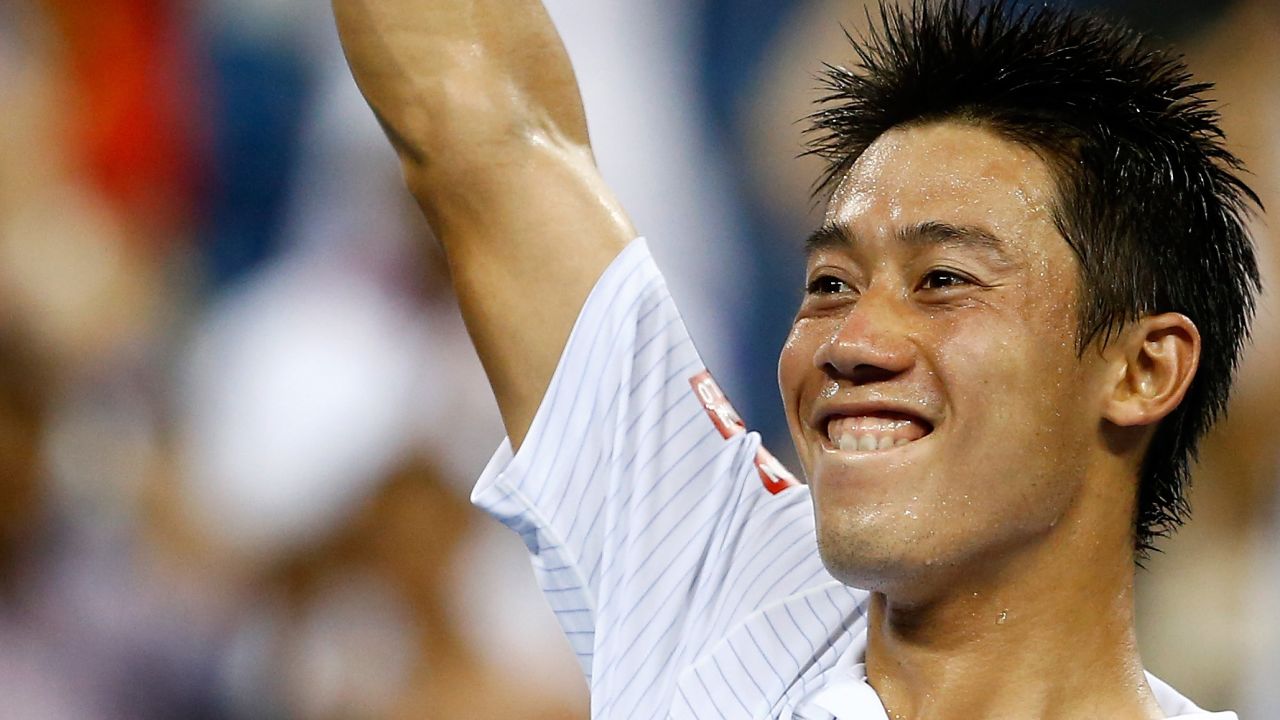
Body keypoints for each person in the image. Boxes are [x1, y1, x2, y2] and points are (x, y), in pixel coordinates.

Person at [331, 0, 1259, 717]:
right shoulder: (714, 583)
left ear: (1143, 371)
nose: (851, 343)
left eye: (942, 280)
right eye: (830, 284)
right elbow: (484, 125)